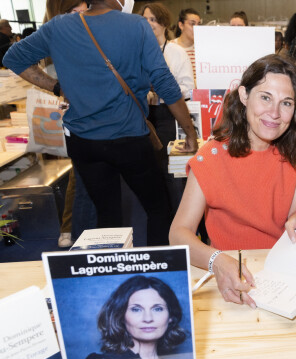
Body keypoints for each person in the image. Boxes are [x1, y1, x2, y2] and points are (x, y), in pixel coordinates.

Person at [3, 0, 198, 247]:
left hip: (84, 142)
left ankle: (111, 275)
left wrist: (56, 87)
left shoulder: (59, 26)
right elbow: (164, 82)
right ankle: (159, 269)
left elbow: (14, 58)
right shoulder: (136, 25)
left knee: (107, 212)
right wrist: (189, 131)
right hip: (129, 138)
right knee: (158, 208)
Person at [169, 54, 296, 307]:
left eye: (286, 103)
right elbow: (178, 234)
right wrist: (217, 261)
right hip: (226, 275)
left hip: (279, 275)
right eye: (265, 98)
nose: (275, 113)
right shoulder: (211, 157)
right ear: (245, 96)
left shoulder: (294, 152)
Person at [42, 0, 96, 249]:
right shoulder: (54, 34)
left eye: (84, 10)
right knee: (81, 177)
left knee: (85, 176)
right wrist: (58, 88)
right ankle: (72, 232)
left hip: (87, 113)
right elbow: (22, 61)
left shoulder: (77, 31)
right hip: (74, 115)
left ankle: (76, 233)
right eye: (76, 11)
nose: (82, 15)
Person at [75, 276, 189, 359]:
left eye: (157, 309)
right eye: (136, 309)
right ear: (121, 316)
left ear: (171, 316)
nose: (148, 318)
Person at [139, 2, 195, 217]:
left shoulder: (175, 51)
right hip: (143, 116)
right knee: (148, 172)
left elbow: (188, 88)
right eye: (144, 20)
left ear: (163, 23)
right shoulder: (137, 50)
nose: (149, 24)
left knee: (167, 170)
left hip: (167, 116)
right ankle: (158, 218)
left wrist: (161, 91)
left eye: (153, 19)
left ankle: (177, 219)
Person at [171, 8, 201, 87]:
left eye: (199, 24)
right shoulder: (170, 47)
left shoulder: (202, 48)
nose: (197, 28)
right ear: (181, 25)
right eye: (192, 24)